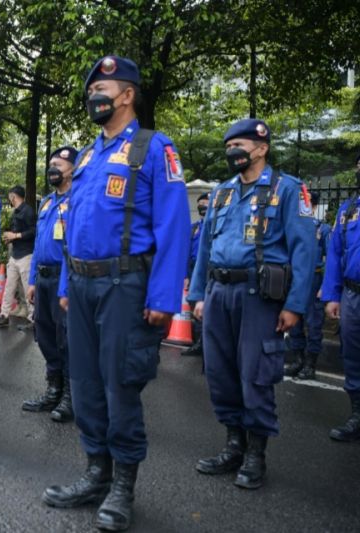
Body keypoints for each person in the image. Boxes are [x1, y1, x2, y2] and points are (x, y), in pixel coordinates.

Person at [42, 56, 189, 532]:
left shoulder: (153, 148)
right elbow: (76, 226)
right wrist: (66, 284)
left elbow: (175, 227)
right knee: (83, 382)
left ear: (127, 94)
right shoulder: (86, 156)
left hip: (126, 286)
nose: (93, 97)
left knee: (119, 385)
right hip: (81, 283)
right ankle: (95, 474)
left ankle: (123, 486)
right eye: (91, 91)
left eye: (102, 89)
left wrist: (164, 299)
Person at [189, 118, 316, 490]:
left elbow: (304, 252)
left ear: (261, 148)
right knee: (220, 373)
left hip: (258, 298)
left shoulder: (288, 190)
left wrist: (294, 306)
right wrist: (197, 295)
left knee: (255, 374)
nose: (233, 152)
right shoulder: (222, 193)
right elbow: (205, 248)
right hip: (218, 294)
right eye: (229, 146)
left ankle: (256, 454)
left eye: (240, 145)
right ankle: (233, 445)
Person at [22, 146, 77, 421]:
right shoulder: (46, 203)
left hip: (64, 277)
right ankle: (53, 389)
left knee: (65, 337)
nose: (53, 168)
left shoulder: (78, 200)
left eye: (59, 164)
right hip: (42, 277)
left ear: (73, 169)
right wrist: (31, 280)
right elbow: (37, 243)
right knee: (43, 334)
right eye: (51, 163)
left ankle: (70, 396)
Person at [322, 154, 360, 441]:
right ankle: (357, 414)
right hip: (352, 295)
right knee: (353, 356)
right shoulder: (347, 211)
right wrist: (332, 295)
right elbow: (334, 255)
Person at [284, 191, 330, 380]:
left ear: (314, 206)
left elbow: (331, 260)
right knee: (294, 322)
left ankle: (310, 364)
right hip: (294, 279)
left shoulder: (323, 229)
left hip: (314, 280)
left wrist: (325, 287)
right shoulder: (292, 227)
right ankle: (297, 360)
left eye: (307, 202)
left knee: (313, 324)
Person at [0, 185, 35, 328]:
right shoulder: (16, 212)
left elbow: (33, 231)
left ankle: (33, 318)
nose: (9, 199)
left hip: (26, 255)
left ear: (14, 196)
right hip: (15, 254)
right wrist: (11, 238)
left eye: (10, 196)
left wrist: (15, 235)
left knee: (28, 287)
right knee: (9, 286)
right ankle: (4, 314)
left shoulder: (28, 211)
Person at [181, 192, 210, 357]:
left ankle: (208, 344)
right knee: (195, 306)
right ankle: (199, 342)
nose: (203, 205)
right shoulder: (194, 228)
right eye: (200, 203)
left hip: (209, 269)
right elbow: (185, 252)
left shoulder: (212, 226)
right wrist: (185, 275)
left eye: (206, 202)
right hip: (193, 270)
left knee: (208, 307)